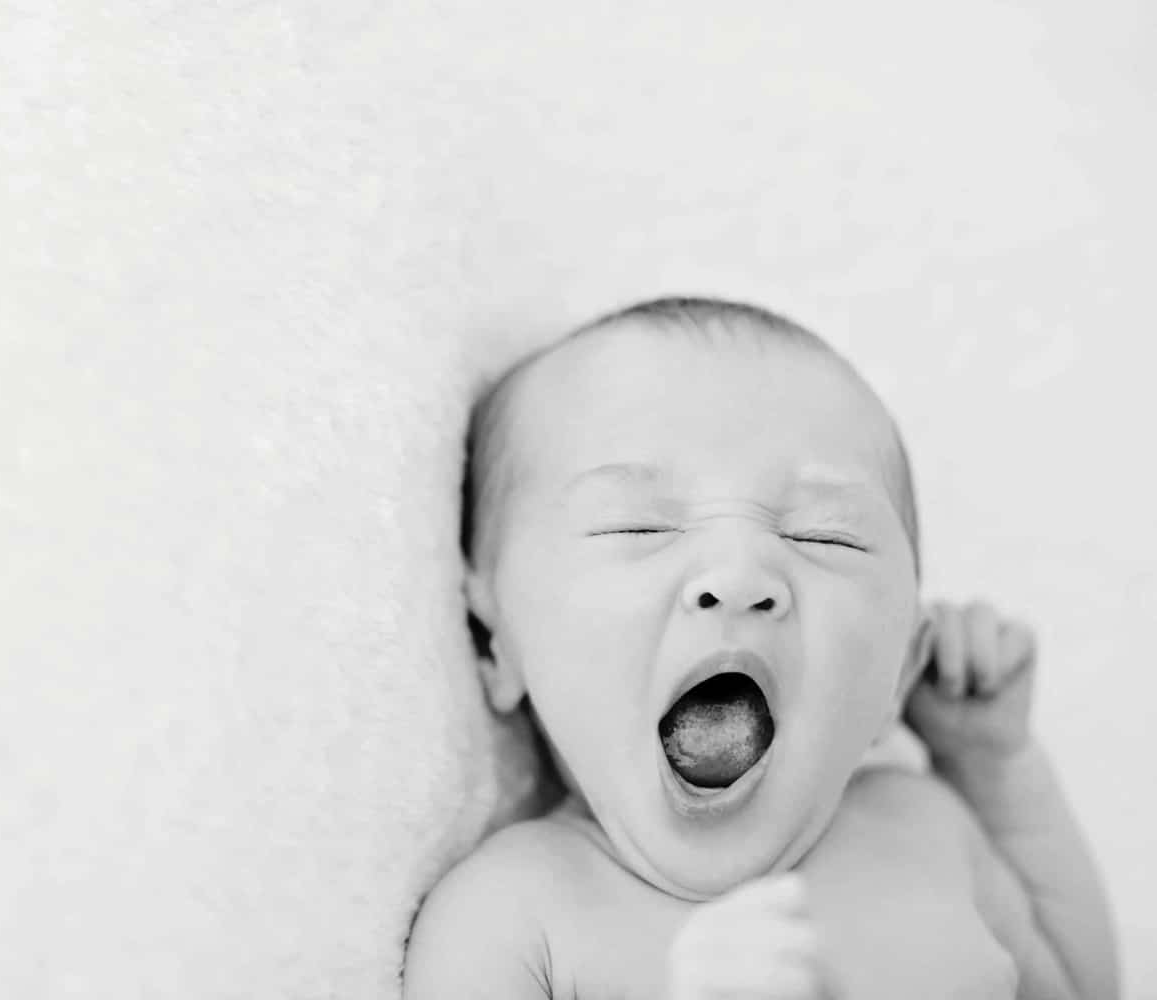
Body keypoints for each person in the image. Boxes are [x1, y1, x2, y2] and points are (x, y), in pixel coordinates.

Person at [402, 298, 1117, 999]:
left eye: (823, 535)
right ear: (494, 644)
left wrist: (994, 765)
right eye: (637, 527)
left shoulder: (927, 829)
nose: (739, 576)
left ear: (902, 667)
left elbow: (1086, 988)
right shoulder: (512, 917)